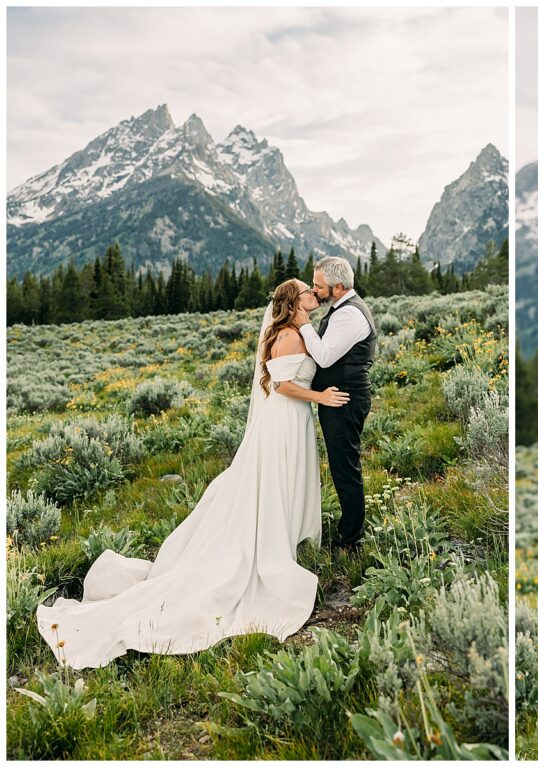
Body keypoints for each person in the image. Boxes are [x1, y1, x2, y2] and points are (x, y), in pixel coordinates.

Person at [37, 279, 349, 670]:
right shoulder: (286, 336)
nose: (313, 295)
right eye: (307, 291)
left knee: (281, 483)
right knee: (274, 482)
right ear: (293, 301)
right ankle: (275, 545)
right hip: (284, 422)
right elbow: (284, 385)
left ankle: (288, 536)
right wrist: (320, 397)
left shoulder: (297, 331)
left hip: (290, 421)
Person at [295, 256, 376, 552]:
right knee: (342, 464)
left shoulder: (349, 315)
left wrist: (304, 325)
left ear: (338, 286)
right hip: (337, 397)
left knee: (345, 467)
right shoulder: (342, 309)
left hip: (344, 399)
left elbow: (325, 356)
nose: (314, 290)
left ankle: (351, 539)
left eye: (318, 286)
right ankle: (349, 531)